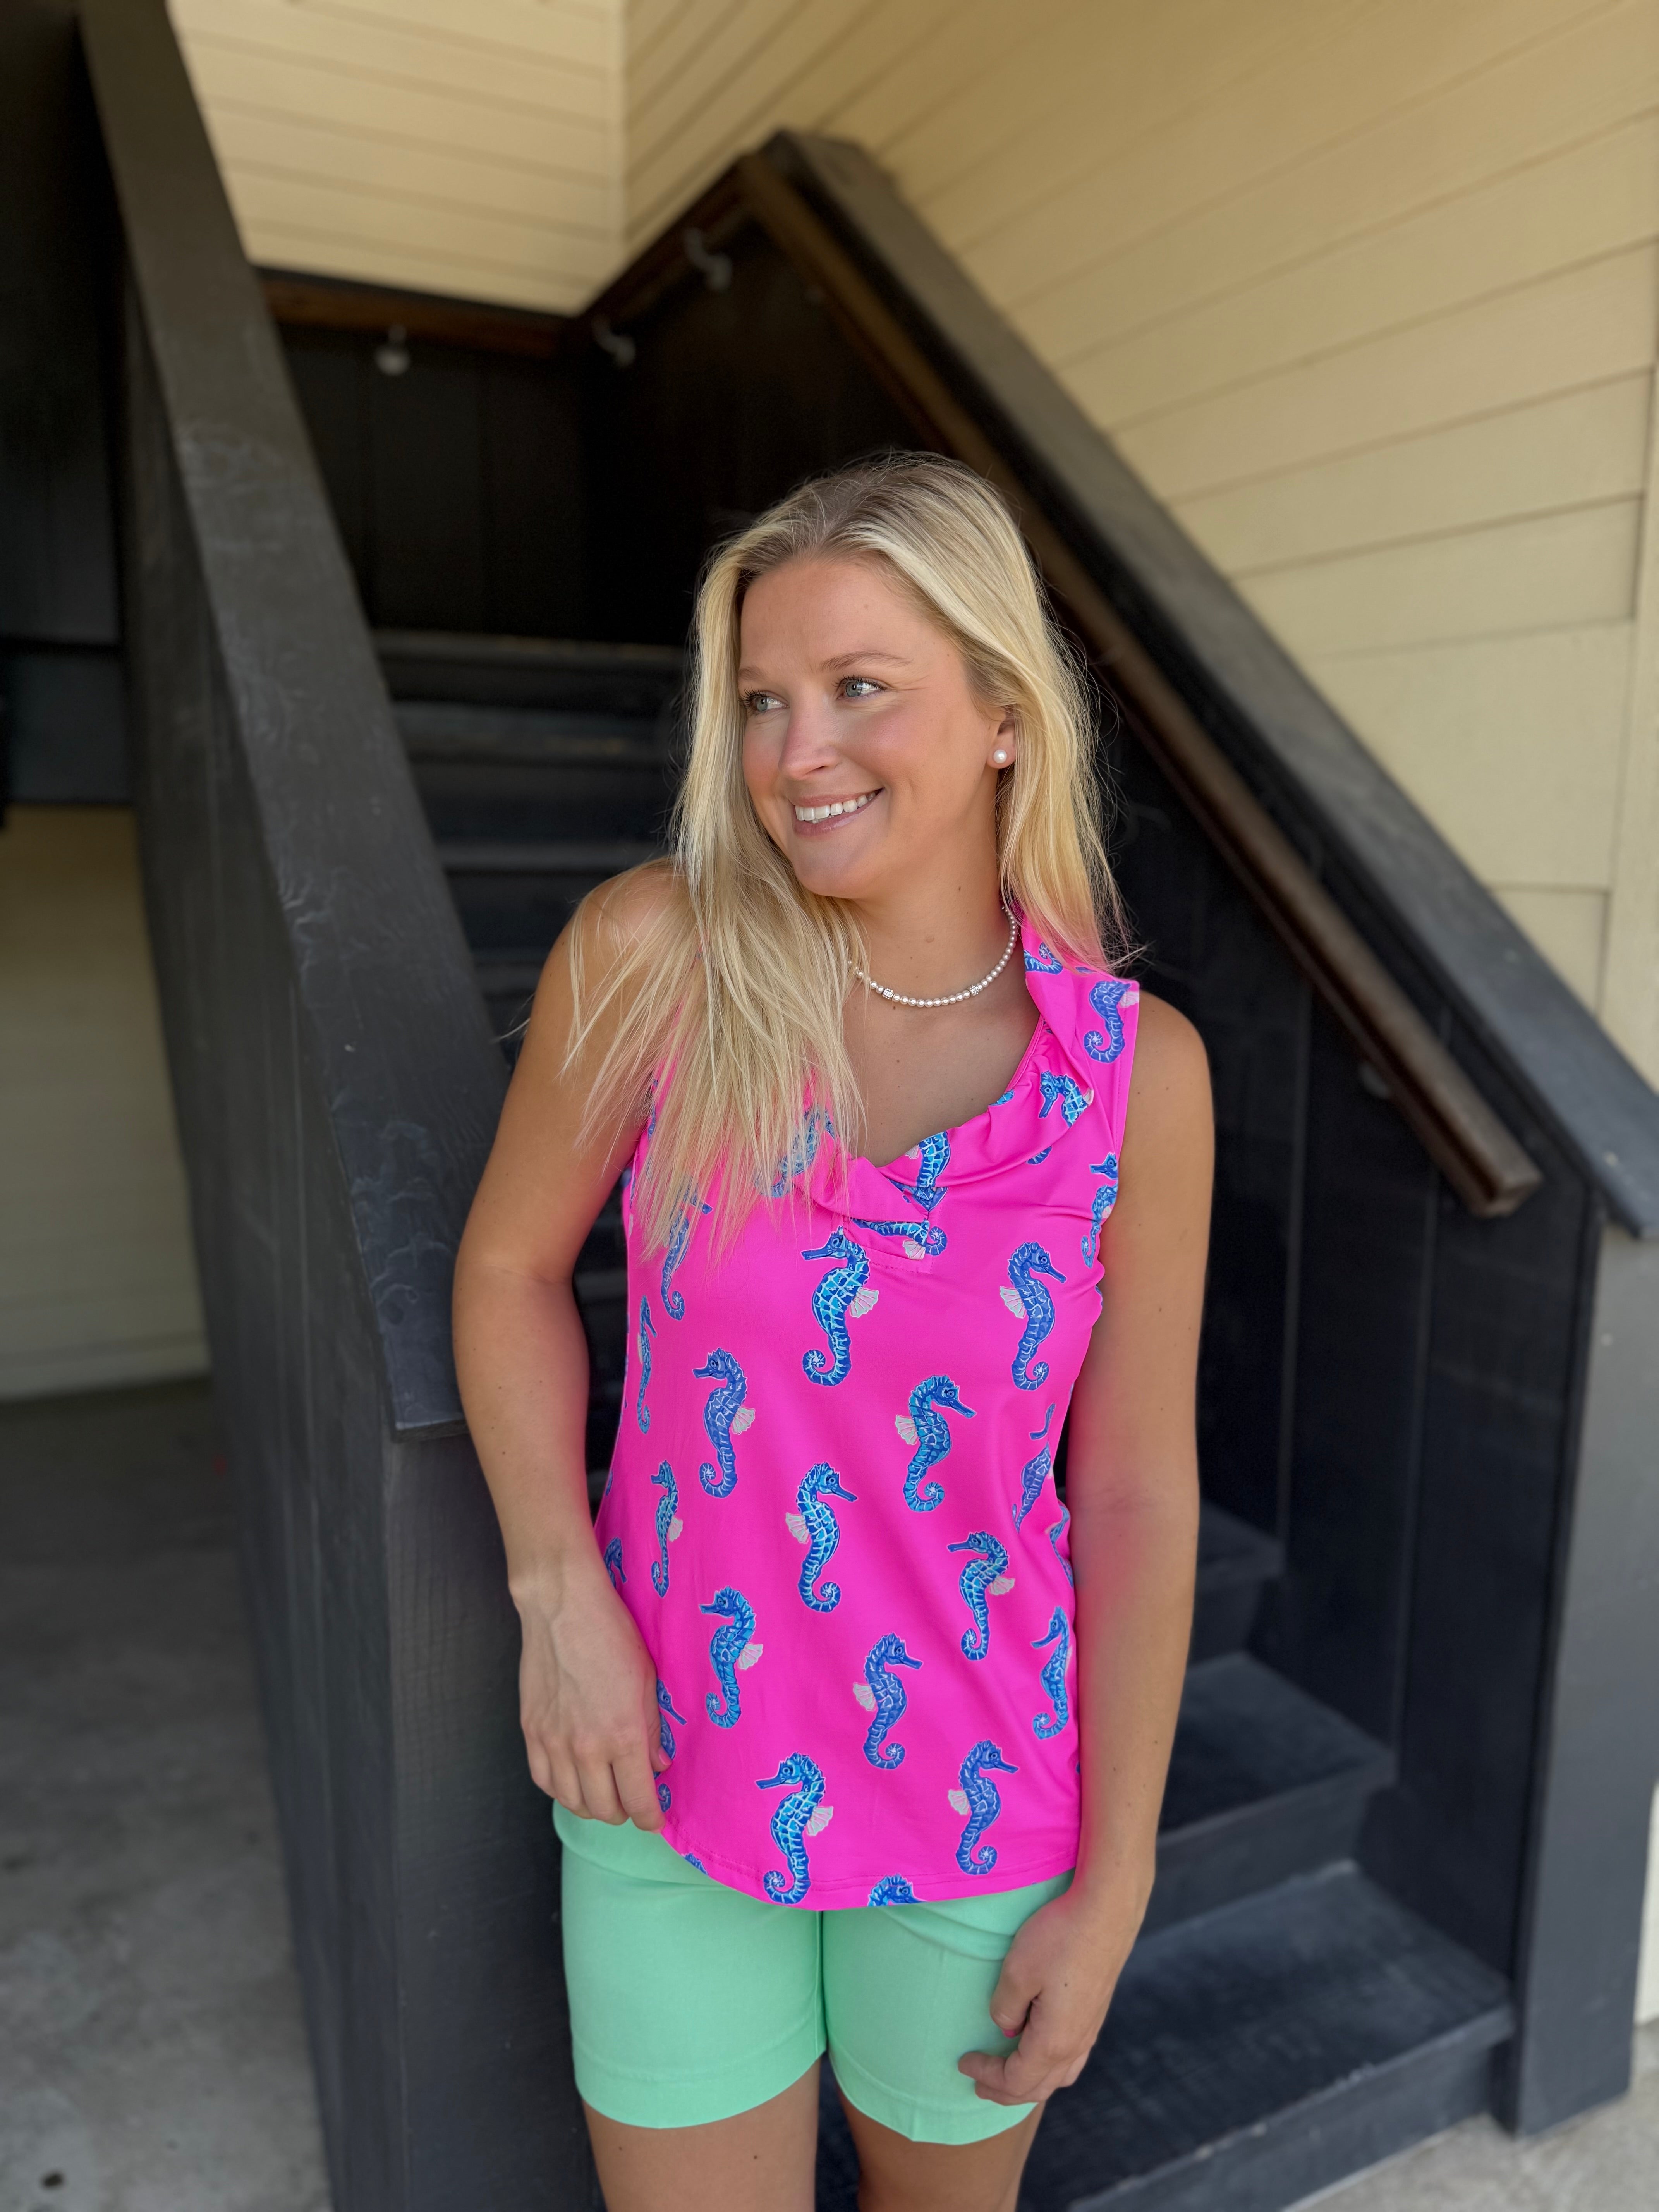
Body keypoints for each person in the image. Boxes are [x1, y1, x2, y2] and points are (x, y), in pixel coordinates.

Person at [453, 454, 1213, 2212]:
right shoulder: (656, 959)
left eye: (859, 687)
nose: (799, 752)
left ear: (1005, 716)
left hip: (985, 1798)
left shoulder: (1133, 1079)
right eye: (761, 701)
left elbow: (1133, 1495)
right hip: (662, 1772)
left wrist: (1116, 1881)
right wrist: (558, 1593)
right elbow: (505, 1273)